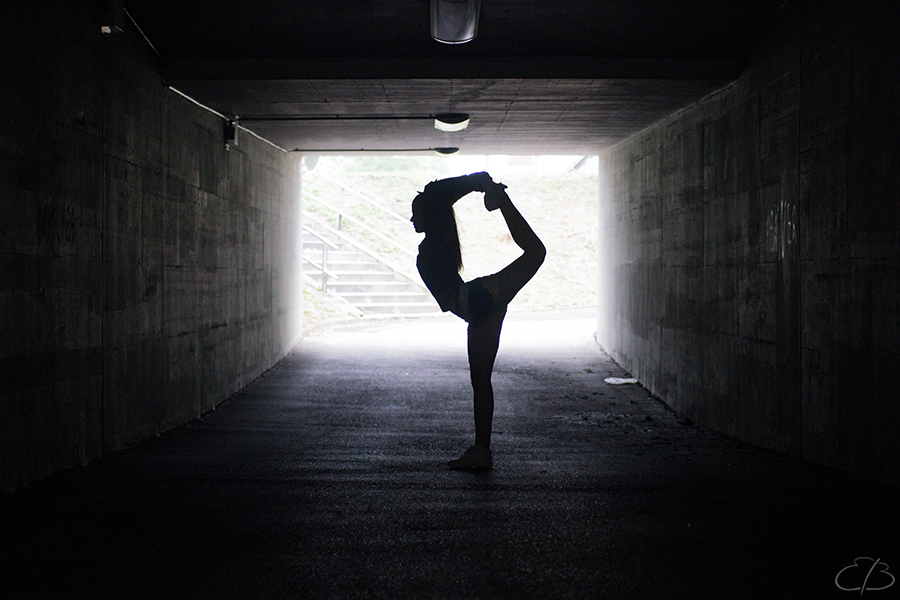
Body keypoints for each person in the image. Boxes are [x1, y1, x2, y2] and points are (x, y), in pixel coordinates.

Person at [411, 172, 546, 470]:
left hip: (478, 301)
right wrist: (477, 184)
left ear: (429, 214)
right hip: (479, 305)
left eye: (415, 212)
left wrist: (477, 183)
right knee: (480, 381)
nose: (411, 220)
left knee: (537, 252)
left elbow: (436, 196)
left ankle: (500, 198)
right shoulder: (439, 241)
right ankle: (481, 451)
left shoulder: (430, 247)